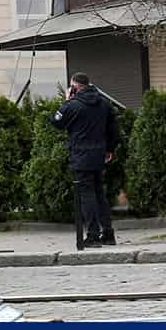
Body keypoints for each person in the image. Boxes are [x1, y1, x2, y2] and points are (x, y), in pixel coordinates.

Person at [52, 72, 121, 247]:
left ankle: (92, 235)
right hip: (99, 155)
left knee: (86, 195)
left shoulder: (73, 105)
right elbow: (114, 129)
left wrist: (67, 100)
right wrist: (109, 149)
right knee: (99, 194)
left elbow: (56, 121)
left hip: (81, 156)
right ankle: (108, 234)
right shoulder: (104, 103)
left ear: (74, 87)